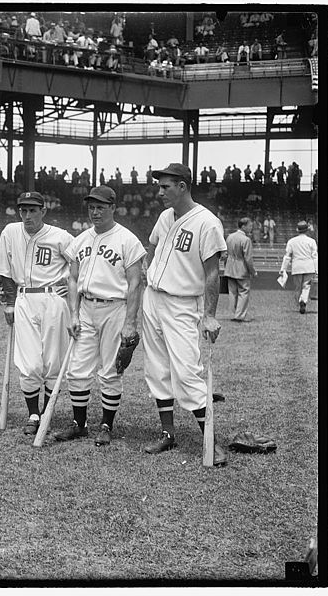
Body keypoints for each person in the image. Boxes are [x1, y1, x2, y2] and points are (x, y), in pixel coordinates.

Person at [142, 163, 228, 466]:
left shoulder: (207, 222)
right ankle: (168, 433)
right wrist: (148, 272)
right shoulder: (166, 216)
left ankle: (211, 443)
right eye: (160, 185)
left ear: (183, 186)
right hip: (153, 297)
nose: (160, 191)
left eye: (166, 186)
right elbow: (153, 247)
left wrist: (209, 315)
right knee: (156, 368)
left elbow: (211, 274)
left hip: (181, 303)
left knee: (187, 372)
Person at [55, 186, 145, 445]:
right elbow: (72, 279)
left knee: (110, 371)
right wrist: (73, 314)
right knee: (77, 369)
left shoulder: (127, 240)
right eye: (91, 207)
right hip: (85, 308)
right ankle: (79, 424)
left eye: (100, 207)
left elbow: (135, 284)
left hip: (114, 308)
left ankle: (106, 425)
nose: (95, 212)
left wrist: (130, 322)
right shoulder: (80, 239)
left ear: (113, 208)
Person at [0, 191, 73, 435]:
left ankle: (47, 411)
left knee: (52, 361)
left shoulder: (60, 236)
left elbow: (81, 262)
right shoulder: (10, 232)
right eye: (23, 210)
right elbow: (3, 270)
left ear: (43, 211)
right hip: (23, 298)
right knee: (28, 363)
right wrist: (8, 302)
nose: (27, 215)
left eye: (32, 210)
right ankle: (33, 414)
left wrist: (69, 279)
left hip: (52, 299)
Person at [221, 218, 257, 322]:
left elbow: (225, 254)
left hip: (229, 268)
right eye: (250, 226)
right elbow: (248, 258)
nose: (251, 228)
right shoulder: (246, 240)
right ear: (243, 226)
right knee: (243, 291)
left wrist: (225, 266)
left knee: (232, 292)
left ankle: (233, 313)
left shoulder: (229, 237)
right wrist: (252, 271)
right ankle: (240, 315)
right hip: (241, 269)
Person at [279, 221, 318, 314]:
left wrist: (283, 269)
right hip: (309, 267)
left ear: (298, 230)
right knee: (306, 286)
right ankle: (303, 301)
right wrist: (317, 269)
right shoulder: (312, 241)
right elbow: (315, 256)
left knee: (298, 287)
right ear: (307, 230)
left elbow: (287, 256)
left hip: (297, 267)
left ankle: (300, 301)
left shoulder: (291, 241)